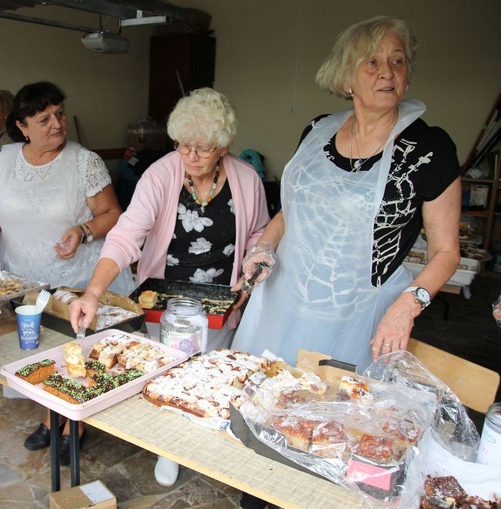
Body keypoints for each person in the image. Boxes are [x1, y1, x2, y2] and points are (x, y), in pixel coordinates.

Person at [231, 16, 461, 509]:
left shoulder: (428, 148)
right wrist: (263, 246)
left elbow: (447, 252)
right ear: (346, 75)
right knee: (264, 426)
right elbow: (289, 213)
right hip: (282, 304)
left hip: (357, 317)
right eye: (373, 61)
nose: (388, 72)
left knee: (333, 442)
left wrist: (409, 302)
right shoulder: (316, 131)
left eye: (398, 62)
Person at [67, 87, 271, 486]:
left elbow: (260, 233)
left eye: (203, 148)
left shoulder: (246, 179)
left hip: (220, 299)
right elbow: (126, 236)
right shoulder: (160, 174)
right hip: (165, 298)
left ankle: (203, 442)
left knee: (210, 375)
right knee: (168, 372)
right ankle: (170, 448)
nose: (191, 156)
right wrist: (92, 292)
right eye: (183, 145)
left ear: (223, 145)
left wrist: (249, 276)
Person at [0, 81, 134, 465]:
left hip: (73, 281)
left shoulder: (83, 161)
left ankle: (70, 424)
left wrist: (83, 230)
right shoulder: (6, 160)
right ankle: (50, 414)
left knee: (72, 354)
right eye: (43, 119)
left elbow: (114, 215)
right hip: (22, 283)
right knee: (39, 353)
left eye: (60, 113)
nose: (57, 124)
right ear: (22, 125)